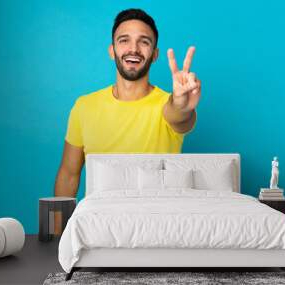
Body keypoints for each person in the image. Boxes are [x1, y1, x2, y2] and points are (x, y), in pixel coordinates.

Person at [53, 8, 202, 233]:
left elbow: (180, 117)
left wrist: (182, 106)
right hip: (99, 230)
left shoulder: (166, 105)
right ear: (112, 51)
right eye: (124, 40)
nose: (133, 49)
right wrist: (58, 237)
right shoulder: (84, 107)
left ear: (155, 54)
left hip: (159, 229)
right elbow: (68, 174)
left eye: (144, 42)